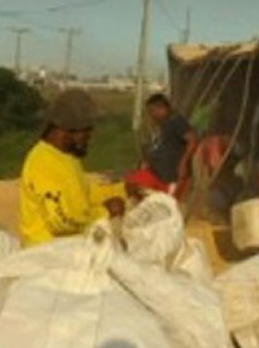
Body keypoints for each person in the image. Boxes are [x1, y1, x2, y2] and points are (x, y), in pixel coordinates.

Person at [19, 89, 128, 247]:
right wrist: (105, 212)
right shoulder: (44, 162)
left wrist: (123, 190)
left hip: (67, 250)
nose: (89, 136)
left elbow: (84, 194)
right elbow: (63, 222)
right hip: (48, 257)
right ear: (67, 130)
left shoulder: (67, 157)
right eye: (86, 131)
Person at [143, 93, 199, 198]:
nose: (151, 115)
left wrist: (184, 162)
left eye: (152, 111)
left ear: (161, 108)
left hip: (172, 176)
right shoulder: (161, 125)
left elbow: (192, 139)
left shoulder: (175, 121)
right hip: (159, 175)